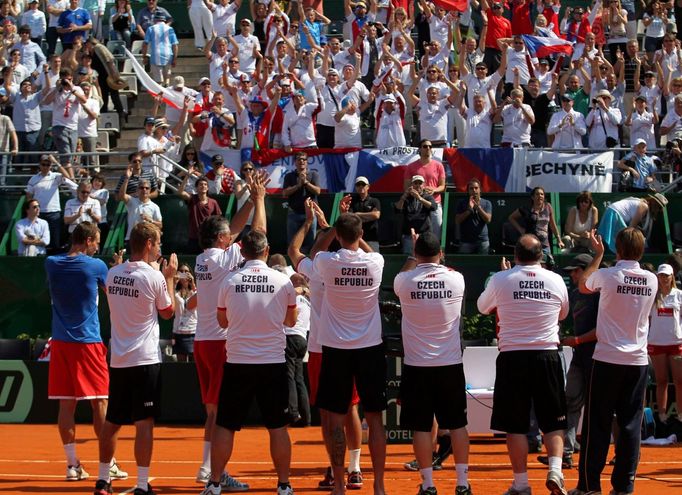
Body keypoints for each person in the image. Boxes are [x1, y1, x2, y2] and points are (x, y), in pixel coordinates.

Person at [201, 230, 298, 495]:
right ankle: (284, 485)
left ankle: (214, 483)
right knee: (278, 427)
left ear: (242, 253)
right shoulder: (282, 281)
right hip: (273, 364)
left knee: (225, 425)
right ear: (266, 251)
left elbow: (223, 322)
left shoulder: (230, 281)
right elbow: (291, 322)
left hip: (239, 362)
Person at [477, 234, 570, 495]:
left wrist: (504, 281)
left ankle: (521, 484)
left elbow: (482, 307)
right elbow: (563, 313)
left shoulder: (500, 279)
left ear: (515, 255)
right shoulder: (554, 280)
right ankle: (555, 470)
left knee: (514, 425)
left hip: (513, 356)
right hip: (547, 355)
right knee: (554, 420)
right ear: (541, 255)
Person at [192, 172, 266, 489]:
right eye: (228, 236)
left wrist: (249, 197)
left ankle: (207, 468)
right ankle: (214, 473)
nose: (232, 236)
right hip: (220, 342)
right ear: (222, 240)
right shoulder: (223, 260)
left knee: (213, 411)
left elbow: (234, 227)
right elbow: (257, 233)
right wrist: (257, 199)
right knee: (221, 414)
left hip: (201, 342)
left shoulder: (202, 259)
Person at [288, 198, 365, 491]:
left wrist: (312, 222)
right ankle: (354, 468)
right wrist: (340, 224)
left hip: (323, 349)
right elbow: (350, 242)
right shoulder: (362, 265)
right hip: (353, 346)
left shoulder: (318, 267)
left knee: (330, 415)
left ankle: (336, 470)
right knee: (352, 409)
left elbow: (295, 250)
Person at [94, 222, 177, 495]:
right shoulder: (153, 277)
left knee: (113, 421)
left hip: (118, 360)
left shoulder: (112, 274)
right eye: (158, 243)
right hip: (145, 361)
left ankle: (102, 480)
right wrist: (170, 277)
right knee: (144, 424)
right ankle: (142, 485)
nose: (160, 248)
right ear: (149, 244)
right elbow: (168, 312)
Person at [573, 227, 657, 495]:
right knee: (631, 425)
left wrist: (598, 254)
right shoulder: (652, 280)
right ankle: (624, 486)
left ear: (617, 249)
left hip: (607, 359)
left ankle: (589, 486)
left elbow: (583, 284)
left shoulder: (608, 275)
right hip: (637, 361)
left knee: (596, 423)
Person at [310, 211, 386, 495]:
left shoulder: (328, 262)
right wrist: (357, 239)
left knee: (335, 418)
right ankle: (378, 486)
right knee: (375, 419)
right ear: (362, 235)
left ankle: (340, 486)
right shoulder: (375, 261)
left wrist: (330, 229)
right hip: (369, 348)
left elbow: (314, 251)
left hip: (336, 349)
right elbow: (368, 251)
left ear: (338, 237)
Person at [45, 222, 128, 483]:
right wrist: (116, 268)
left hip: (60, 343)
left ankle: (72, 466)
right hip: (88, 344)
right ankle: (109, 463)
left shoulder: (51, 263)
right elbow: (113, 291)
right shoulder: (97, 267)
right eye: (97, 241)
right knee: (100, 402)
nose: (98, 245)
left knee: (66, 405)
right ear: (89, 240)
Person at [394, 232, 472, 495]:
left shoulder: (405, 280)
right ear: (440, 253)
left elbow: (402, 274)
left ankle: (428, 484)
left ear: (416, 255)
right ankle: (462, 483)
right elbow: (445, 268)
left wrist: (413, 257)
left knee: (421, 427)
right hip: (449, 364)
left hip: (417, 367)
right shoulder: (457, 278)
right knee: (458, 425)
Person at [648, 263, 682, 426]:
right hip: (656, 343)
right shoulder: (652, 296)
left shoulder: (679, 295)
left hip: (676, 343)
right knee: (661, 380)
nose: (663, 279)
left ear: (672, 277)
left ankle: (681, 416)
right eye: (661, 275)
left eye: (666, 275)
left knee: (680, 381)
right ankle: (662, 417)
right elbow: (646, 319)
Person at [25, 154, 78, 254]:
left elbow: (68, 177)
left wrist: (56, 162)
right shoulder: (33, 179)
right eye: (43, 164)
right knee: (39, 238)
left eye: (48, 165)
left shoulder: (55, 176)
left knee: (55, 240)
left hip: (54, 213)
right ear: (39, 165)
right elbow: (29, 196)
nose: (45, 167)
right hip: (39, 213)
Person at [283, 271, 312, 426]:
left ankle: (293, 414)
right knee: (299, 378)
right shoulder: (308, 300)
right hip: (302, 340)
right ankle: (306, 417)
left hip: (290, 338)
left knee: (290, 377)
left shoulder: (294, 296)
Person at [597, 193, 668, 253]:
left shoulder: (641, 203)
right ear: (655, 204)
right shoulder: (644, 206)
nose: (658, 210)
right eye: (659, 208)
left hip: (612, 212)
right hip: (615, 214)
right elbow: (632, 226)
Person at [404, 139, 446, 240]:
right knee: (417, 234)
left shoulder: (439, 165)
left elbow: (442, 186)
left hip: (434, 203)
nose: (428, 148)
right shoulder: (411, 167)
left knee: (436, 232)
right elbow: (406, 187)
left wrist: (434, 190)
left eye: (430, 147)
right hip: (416, 206)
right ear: (420, 149)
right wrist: (416, 193)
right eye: (425, 146)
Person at [283, 151, 321, 252]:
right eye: (299, 159)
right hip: (293, 214)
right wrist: (298, 186)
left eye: (304, 159)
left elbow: (318, 191)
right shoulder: (289, 176)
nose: (302, 161)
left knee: (311, 243)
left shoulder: (313, 174)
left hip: (310, 214)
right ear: (295, 162)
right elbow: (285, 193)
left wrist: (306, 183)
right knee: (292, 243)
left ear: (307, 162)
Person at [509, 187, 564, 255]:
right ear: (532, 197)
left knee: (545, 264)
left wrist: (559, 240)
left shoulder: (548, 207)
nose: (540, 196)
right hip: (530, 244)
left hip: (544, 244)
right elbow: (511, 218)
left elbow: (552, 225)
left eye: (542, 194)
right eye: (537, 194)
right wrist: (520, 229)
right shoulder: (526, 208)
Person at [177, 174, 222, 254]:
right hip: (194, 238)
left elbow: (218, 219)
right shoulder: (192, 198)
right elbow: (180, 192)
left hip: (208, 238)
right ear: (196, 188)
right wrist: (187, 175)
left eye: (205, 184)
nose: (203, 186)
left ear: (208, 188)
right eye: (200, 184)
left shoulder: (213, 202)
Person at [396, 175, 437, 255]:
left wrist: (419, 198)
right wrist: (404, 196)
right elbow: (397, 209)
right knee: (409, 258)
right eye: (415, 183)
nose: (418, 185)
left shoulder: (428, 197)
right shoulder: (406, 197)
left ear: (424, 185)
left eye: (420, 183)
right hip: (409, 235)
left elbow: (433, 207)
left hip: (424, 235)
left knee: (425, 257)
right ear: (412, 185)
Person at [117, 176, 162, 245]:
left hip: (148, 239)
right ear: (137, 190)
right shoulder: (132, 201)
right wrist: (126, 178)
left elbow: (160, 225)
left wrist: (150, 220)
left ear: (150, 190)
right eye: (141, 188)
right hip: (132, 238)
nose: (144, 190)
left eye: (147, 188)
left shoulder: (155, 207)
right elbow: (121, 195)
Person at [454, 178, 492, 254]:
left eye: (476, 188)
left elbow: (488, 219)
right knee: (464, 264)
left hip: (482, 240)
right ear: (468, 191)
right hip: (466, 241)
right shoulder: (461, 203)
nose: (474, 190)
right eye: (471, 188)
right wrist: (469, 210)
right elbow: (457, 220)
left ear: (480, 190)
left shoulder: (487, 203)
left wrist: (478, 207)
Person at [141, 11, 178, 86]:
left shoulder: (151, 29)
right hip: (168, 55)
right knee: (167, 78)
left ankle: (160, 94)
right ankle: (166, 87)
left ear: (154, 19)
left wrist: (144, 56)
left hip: (155, 56)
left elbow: (145, 44)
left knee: (158, 81)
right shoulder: (170, 29)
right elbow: (175, 45)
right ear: (164, 20)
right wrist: (175, 58)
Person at [172, 264, 197, 363]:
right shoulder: (175, 291)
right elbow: (169, 302)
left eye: (186, 271)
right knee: (181, 367)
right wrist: (174, 283)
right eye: (181, 271)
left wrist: (193, 284)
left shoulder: (195, 290)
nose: (184, 274)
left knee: (194, 366)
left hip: (194, 332)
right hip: (179, 332)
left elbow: (200, 300)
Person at [349, 176, 381, 252]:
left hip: (372, 238)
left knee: (374, 261)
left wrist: (358, 214)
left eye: (363, 184)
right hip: (356, 239)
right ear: (355, 187)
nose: (360, 186)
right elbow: (351, 217)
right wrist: (369, 216)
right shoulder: (352, 201)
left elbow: (376, 215)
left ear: (368, 186)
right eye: (358, 185)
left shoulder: (374, 201)